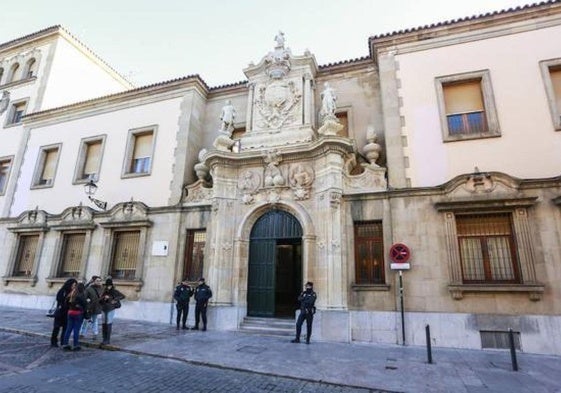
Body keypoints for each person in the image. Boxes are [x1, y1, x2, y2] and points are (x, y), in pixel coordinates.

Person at [50, 278, 77, 347]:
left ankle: (63, 342)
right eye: (73, 285)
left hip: (68, 312)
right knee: (56, 327)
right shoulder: (62, 291)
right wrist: (67, 297)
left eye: (75, 285)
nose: (74, 287)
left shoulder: (74, 292)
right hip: (60, 312)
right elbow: (59, 299)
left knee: (65, 328)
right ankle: (54, 341)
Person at [99, 277, 125, 346]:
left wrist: (113, 299)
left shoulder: (115, 291)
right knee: (104, 323)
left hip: (111, 308)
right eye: (107, 285)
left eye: (109, 285)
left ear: (111, 285)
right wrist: (103, 298)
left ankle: (107, 340)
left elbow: (122, 296)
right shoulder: (104, 291)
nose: (108, 287)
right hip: (104, 308)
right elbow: (99, 299)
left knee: (108, 323)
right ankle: (104, 339)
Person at [61, 282, 87, 351]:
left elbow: (66, 302)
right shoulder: (81, 295)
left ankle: (65, 344)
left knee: (68, 329)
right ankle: (76, 345)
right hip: (78, 313)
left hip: (70, 312)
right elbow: (85, 305)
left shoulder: (71, 294)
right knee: (76, 330)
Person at [80, 275, 103, 340]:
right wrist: (87, 299)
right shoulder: (89, 288)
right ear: (94, 281)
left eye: (100, 281)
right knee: (86, 321)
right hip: (89, 307)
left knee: (95, 321)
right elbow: (84, 296)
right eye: (97, 281)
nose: (99, 282)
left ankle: (95, 334)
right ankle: (82, 333)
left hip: (97, 307)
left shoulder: (102, 289)